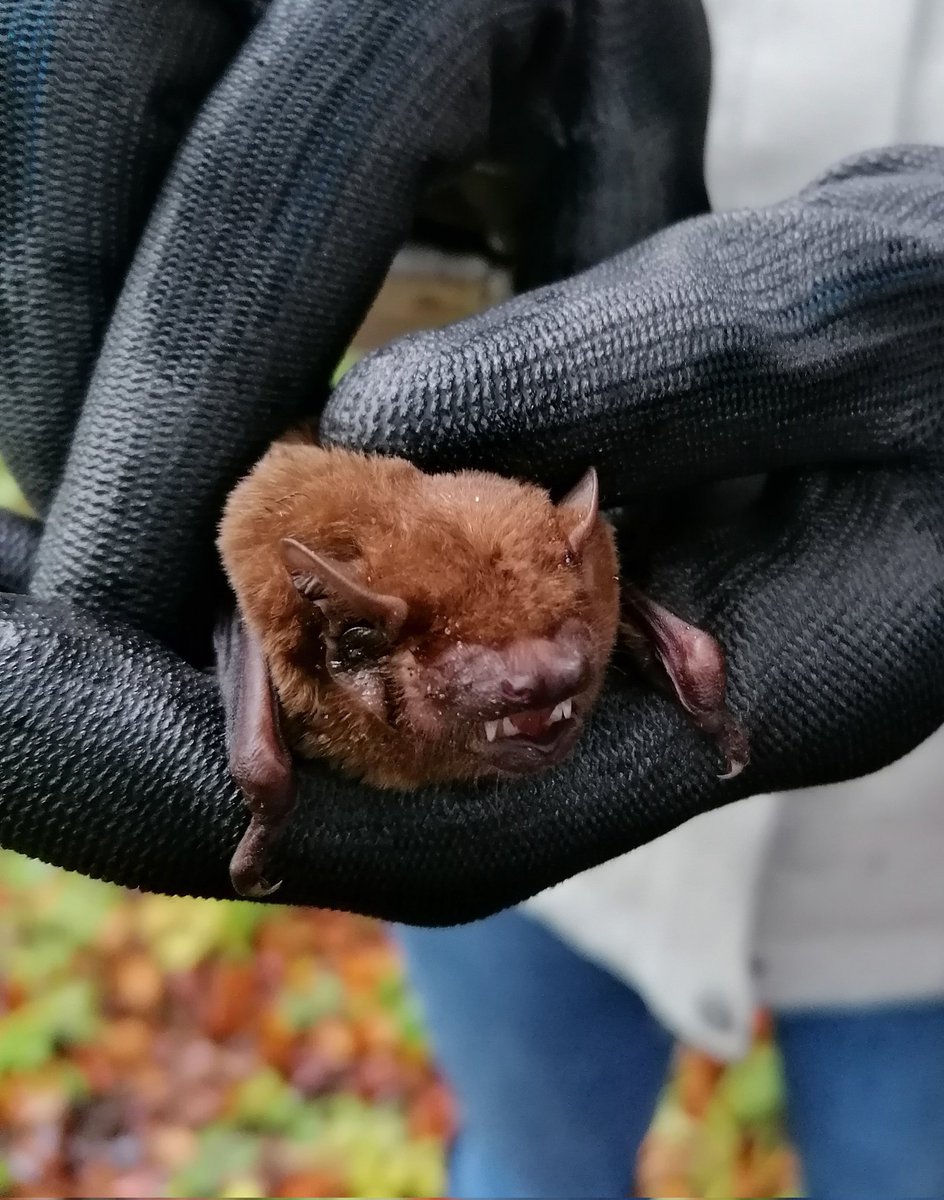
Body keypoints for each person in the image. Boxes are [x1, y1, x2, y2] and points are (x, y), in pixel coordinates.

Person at [1, 1, 943, 1192]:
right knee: (530, 1156)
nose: (545, 688)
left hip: (918, 878)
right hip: (540, 920)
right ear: (347, 643)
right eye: (512, 681)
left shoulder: (593, 583)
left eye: (556, 656)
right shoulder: (329, 632)